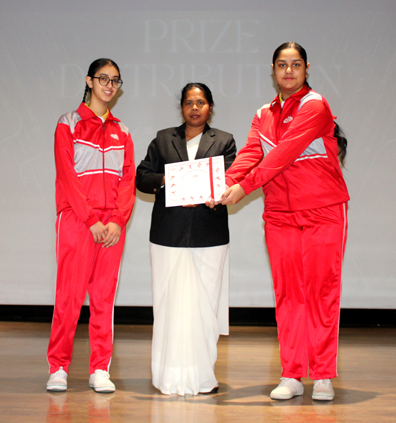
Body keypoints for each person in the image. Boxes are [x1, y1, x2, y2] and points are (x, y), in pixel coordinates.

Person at [218, 42, 350, 401]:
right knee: (288, 294)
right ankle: (291, 374)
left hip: (323, 209)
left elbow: (282, 155)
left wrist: (243, 188)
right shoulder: (263, 113)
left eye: (295, 64)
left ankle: (322, 375)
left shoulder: (315, 105)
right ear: (273, 71)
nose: (288, 71)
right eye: (281, 64)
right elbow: (250, 153)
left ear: (306, 69)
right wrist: (221, 184)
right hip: (279, 214)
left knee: (321, 291)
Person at [136, 83, 236, 395]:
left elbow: (232, 177)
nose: (195, 108)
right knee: (169, 305)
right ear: (181, 106)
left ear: (210, 107)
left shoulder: (224, 141)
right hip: (168, 234)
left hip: (209, 235)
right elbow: (142, 177)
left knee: (205, 307)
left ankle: (203, 377)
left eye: (201, 102)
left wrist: (210, 194)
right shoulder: (163, 138)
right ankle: (167, 376)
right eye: (189, 102)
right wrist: (170, 181)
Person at [46, 58, 136, 393]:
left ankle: (100, 368)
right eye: (103, 79)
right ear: (89, 81)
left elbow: (128, 179)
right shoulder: (68, 123)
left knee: (103, 299)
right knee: (68, 297)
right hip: (77, 220)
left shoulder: (122, 131)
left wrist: (117, 221)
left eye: (115, 80)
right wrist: (90, 219)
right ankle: (58, 367)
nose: (109, 86)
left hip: (112, 226)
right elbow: (67, 176)